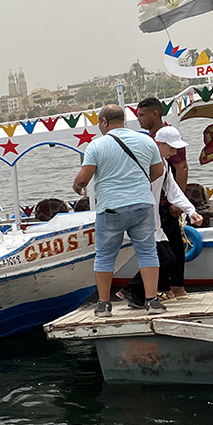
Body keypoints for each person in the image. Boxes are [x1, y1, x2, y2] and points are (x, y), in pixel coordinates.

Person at [72, 104, 165, 317]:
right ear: (123, 119)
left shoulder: (96, 146)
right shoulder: (146, 141)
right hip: (142, 205)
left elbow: (83, 178)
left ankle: (104, 305)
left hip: (111, 209)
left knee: (105, 256)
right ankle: (152, 301)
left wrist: (77, 187)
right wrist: (137, 186)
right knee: (147, 252)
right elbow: (158, 171)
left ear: (104, 122)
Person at [117, 126, 204, 307]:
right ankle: (132, 290)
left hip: (153, 220)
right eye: (171, 147)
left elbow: (173, 191)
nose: (174, 152)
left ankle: (135, 294)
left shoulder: (163, 165)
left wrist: (191, 211)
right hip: (141, 219)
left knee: (167, 259)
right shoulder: (144, 163)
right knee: (164, 258)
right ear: (158, 143)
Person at [137, 96, 190, 297]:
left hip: (165, 201)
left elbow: (181, 167)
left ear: (155, 114)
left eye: (142, 115)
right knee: (164, 245)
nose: (139, 119)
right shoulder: (146, 140)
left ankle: (175, 285)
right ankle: (166, 287)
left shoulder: (168, 137)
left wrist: (177, 201)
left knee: (170, 244)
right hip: (152, 200)